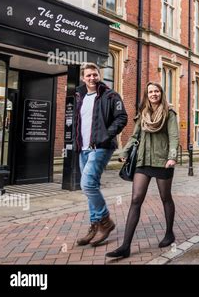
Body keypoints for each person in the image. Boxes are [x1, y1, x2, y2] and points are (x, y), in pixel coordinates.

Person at [106, 82, 179, 258]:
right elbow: (134, 136)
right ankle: (125, 246)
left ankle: (169, 233)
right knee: (136, 199)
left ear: (161, 93)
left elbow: (174, 136)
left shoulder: (169, 113)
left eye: (157, 91)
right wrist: (124, 152)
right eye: (151, 92)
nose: (154, 94)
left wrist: (172, 157)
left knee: (165, 198)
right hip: (143, 161)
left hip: (162, 161)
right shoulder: (142, 114)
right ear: (147, 95)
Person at [75, 63, 128, 247]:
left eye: (95, 75)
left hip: (101, 147)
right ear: (83, 78)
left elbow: (122, 117)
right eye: (88, 75)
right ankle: (95, 225)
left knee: (87, 184)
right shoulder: (79, 96)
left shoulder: (110, 95)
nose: (92, 78)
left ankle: (105, 221)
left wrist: (105, 136)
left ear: (99, 75)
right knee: (92, 187)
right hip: (83, 148)